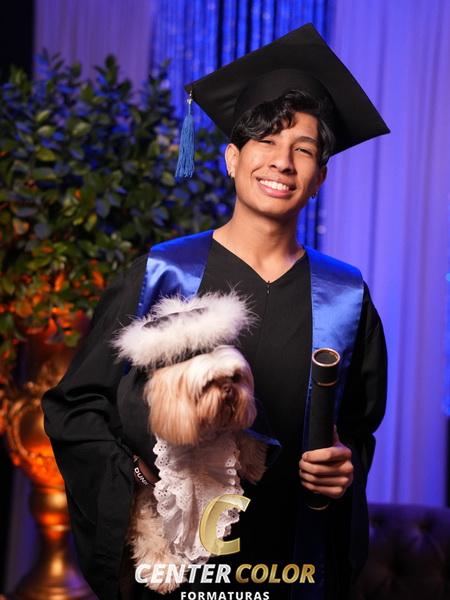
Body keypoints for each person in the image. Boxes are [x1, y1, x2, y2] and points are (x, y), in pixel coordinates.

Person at [42, 23, 388, 600]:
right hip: (182, 574)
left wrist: (343, 465)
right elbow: (75, 407)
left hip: (288, 569)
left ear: (319, 179)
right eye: (265, 141)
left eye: (303, 150)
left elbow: (357, 426)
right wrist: (141, 477)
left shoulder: (345, 296)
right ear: (231, 158)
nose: (282, 162)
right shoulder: (163, 274)